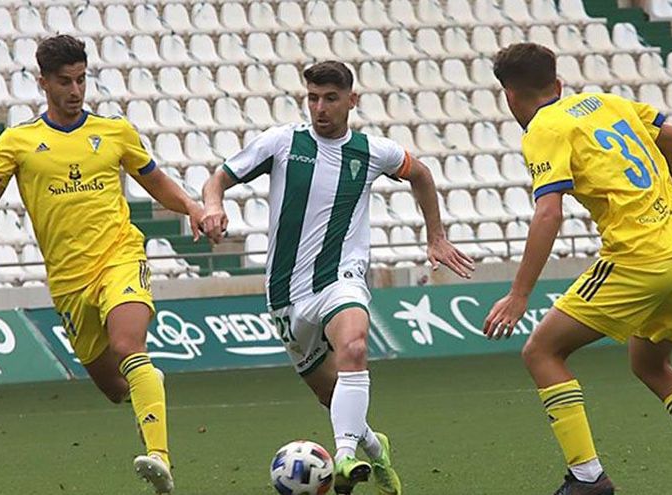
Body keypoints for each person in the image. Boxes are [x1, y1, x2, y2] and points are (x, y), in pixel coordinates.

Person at [200, 61, 474, 494]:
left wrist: (436, 236)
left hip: (341, 278)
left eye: (330, 98)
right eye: (313, 98)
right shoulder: (283, 143)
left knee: (355, 345)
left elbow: (420, 174)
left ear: (352, 100)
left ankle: (344, 457)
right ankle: (372, 446)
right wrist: (213, 206)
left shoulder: (372, 151)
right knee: (334, 400)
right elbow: (219, 178)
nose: (320, 108)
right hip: (286, 292)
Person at [483, 43, 672, 495]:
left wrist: (519, 293)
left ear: (508, 95)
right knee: (651, 363)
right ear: (558, 83)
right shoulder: (607, 101)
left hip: (635, 258)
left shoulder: (544, 127)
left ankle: (587, 478)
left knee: (541, 352)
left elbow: (549, 213)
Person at [0, 35, 203, 495]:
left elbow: (154, 181)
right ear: (43, 83)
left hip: (120, 256)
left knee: (128, 341)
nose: (76, 91)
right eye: (65, 82)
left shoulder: (115, 132)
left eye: (81, 80)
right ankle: (145, 396)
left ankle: (160, 457)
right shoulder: (17, 141)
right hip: (69, 282)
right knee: (116, 387)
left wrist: (191, 208)